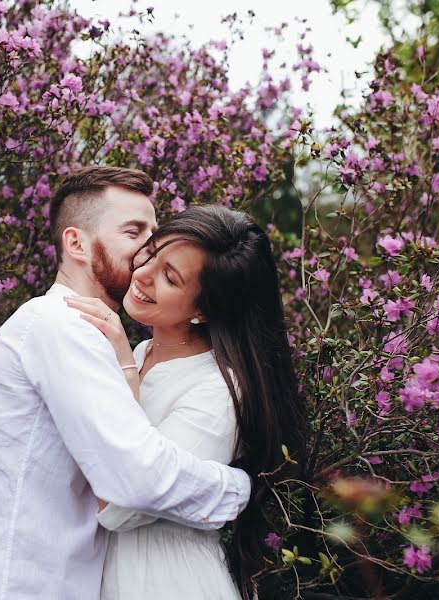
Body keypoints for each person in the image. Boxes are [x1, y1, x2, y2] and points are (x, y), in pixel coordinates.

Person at [0, 167, 252, 599]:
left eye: (153, 233)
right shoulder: (63, 327)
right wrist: (236, 490)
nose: (148, 249)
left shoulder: (89, 335)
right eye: (133, 232)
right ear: (76, 243)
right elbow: (134, 478)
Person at [65, 204, 307, 600]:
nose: (142, 274)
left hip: (164, 581)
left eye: (170, 277)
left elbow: (124, 501)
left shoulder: (219, 391)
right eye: (152, 252)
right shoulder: (142, 353)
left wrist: (124, 367)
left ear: (203, 309)